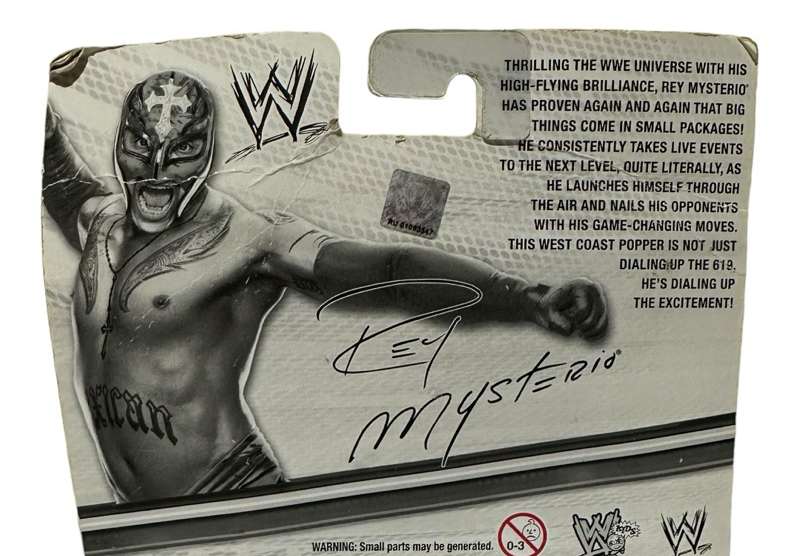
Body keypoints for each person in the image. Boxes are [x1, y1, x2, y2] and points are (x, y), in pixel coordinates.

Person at [43, 70, 608, 503]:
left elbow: (392, 272)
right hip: (139, 517)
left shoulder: (251, 238)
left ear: (208, 151)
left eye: (180, 152)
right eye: (140, 147)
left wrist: (524, 298)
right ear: (120, 141)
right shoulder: (100, 221)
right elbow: (60, 181)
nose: (156, 170)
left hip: (232, 495)